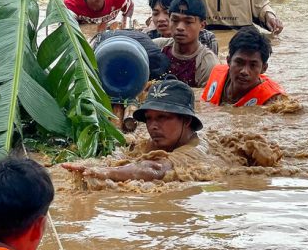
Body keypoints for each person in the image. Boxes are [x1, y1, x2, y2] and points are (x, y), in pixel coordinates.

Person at [61, 77, 209, 182]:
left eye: (162, 117)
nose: (153, 126)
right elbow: (127, 156)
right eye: (149, 118)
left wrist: (107, 172)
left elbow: (156, 169)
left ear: (187, 120)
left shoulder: (193, 152)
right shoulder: (154, 143)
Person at [201, 26, 285, 106]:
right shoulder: (217, 73)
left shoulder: (273, 99)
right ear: (228, 61)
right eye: (239, 62)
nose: (244, 71)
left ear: (264, 68)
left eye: (253, 65)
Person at [152, 0, 219, 88]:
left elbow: (205, 101)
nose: (180, 27)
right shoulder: (157, 47)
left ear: (202, 25)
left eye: (188, 22)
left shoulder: (207, 63)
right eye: (175, 20)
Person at [144, 0, 219, 55]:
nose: (160, 19)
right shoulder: (148, 38)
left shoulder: (206, 39)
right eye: (155, 13)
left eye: (167, 13)